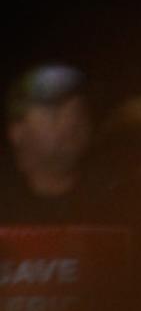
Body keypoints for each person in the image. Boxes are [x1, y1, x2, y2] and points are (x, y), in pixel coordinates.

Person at [3, 64, 122, 224]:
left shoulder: (121, 200)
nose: (72, 121)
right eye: (55, 112)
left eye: (79, 110)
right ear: (17, 130)